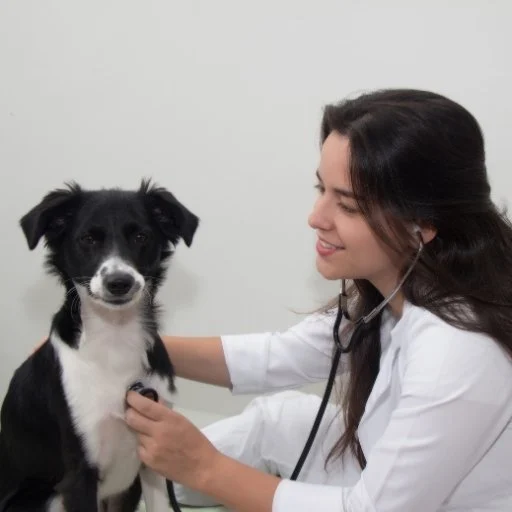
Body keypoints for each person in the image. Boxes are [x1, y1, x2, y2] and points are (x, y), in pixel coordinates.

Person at [38, 88, 504, 511]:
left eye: (347, 204)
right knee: (270, 421)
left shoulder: (457, 352)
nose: (315, 217)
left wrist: (204, 467)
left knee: (182, 462)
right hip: (375, 465)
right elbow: (280, 355)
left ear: (421, 226)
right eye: (321, 188)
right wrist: (112, 350)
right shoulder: (396, 294)